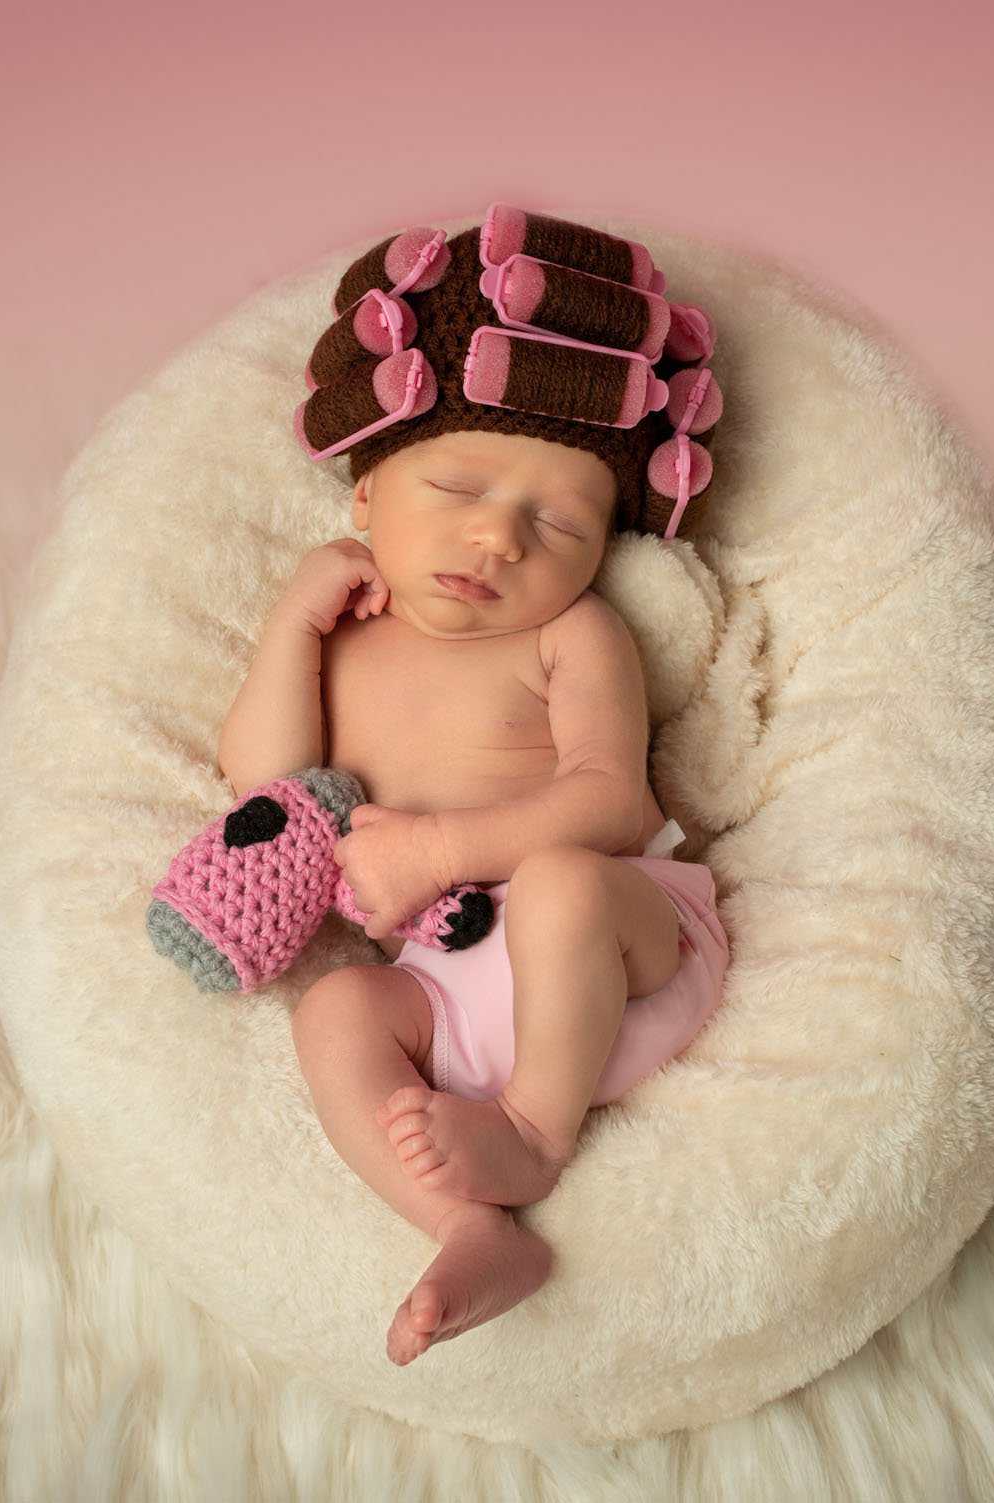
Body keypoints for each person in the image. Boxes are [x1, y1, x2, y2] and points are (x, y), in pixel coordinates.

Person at [215, 204, 729, 1367]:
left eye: (558, 522)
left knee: (554, 881)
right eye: (455, 487)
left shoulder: (573, 637)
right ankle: (468, 1230)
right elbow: (260, 779)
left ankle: (533, 1138)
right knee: (338, 1011)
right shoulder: (346, 634)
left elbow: (616, 804)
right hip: (449, 986)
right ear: (364, 497)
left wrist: (443, 851)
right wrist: (293, 628)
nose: (500, 541)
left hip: (619, 945)